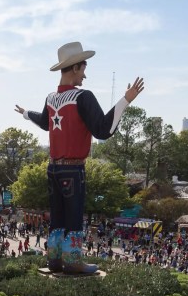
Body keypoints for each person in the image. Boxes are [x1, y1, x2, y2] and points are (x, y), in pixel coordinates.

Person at [16, 41, 144, 273]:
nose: (85, 75)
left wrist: (26, 114)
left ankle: (54, 260)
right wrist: (126, 100)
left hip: (52, 169)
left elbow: (45, 122)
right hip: (73, 170)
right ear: (75, 67)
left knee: (57, 217)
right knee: (73, 217)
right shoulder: (83, 97)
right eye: (84, 68)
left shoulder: (51, 98)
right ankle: (73, 261)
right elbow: (103, 130)